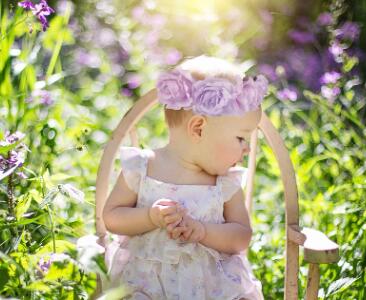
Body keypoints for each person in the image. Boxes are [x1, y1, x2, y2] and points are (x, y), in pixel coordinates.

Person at [102, 55, 267, 299]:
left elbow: (241, 238)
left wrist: (203, 232)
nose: (248, 149)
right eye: (241, 138)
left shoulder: (225, 183)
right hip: (147, 286)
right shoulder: (142, 167)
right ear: (198, 128)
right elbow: (112, 218)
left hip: (209, 289)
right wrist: (149, 217)